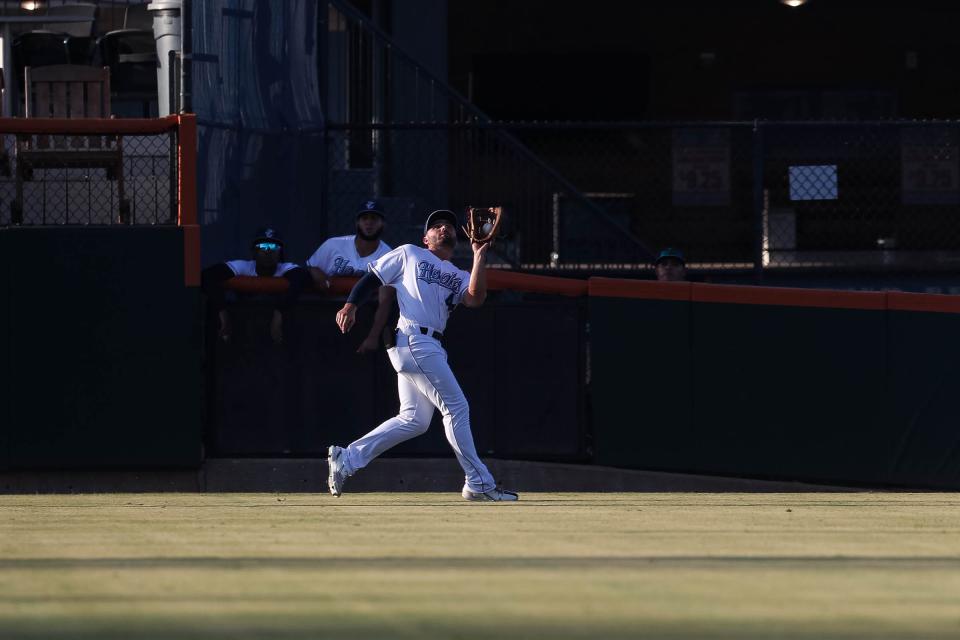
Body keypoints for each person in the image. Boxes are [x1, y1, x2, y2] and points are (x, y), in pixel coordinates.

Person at [327, 209, 519, 502]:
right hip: (415, 339)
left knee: (414, 419)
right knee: (457, 408)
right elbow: (373, 277)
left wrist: (479, 255)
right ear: (425, 238)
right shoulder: (410, 253)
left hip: (427, 345)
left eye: (449, 226)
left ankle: (348, 458)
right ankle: (478, 482)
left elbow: (475, 299)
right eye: (437, 226)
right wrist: (351, 305)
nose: (444, 229)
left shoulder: (458, 274)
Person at [306, 200, 395, 354]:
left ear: (383, 224)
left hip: (365, 321)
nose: (369, 223)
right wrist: (317, 275)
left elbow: (385, 300)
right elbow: (310, 267)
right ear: (357, 223)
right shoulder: (334, 245)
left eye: (374, 219)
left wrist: (373, 337)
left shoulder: (388, 255)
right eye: (364, 218)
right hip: (326, 316)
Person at [201, 227, 310, 345]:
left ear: (280, 252)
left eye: (274, 246)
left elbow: (304, 277)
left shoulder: (285, 268)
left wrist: (279, 313)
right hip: (243, 335)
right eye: (263, 246)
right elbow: (207, 275)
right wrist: (222, 313)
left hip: (277, 337)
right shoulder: (244, 267)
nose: (268, 250)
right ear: (254, 251)